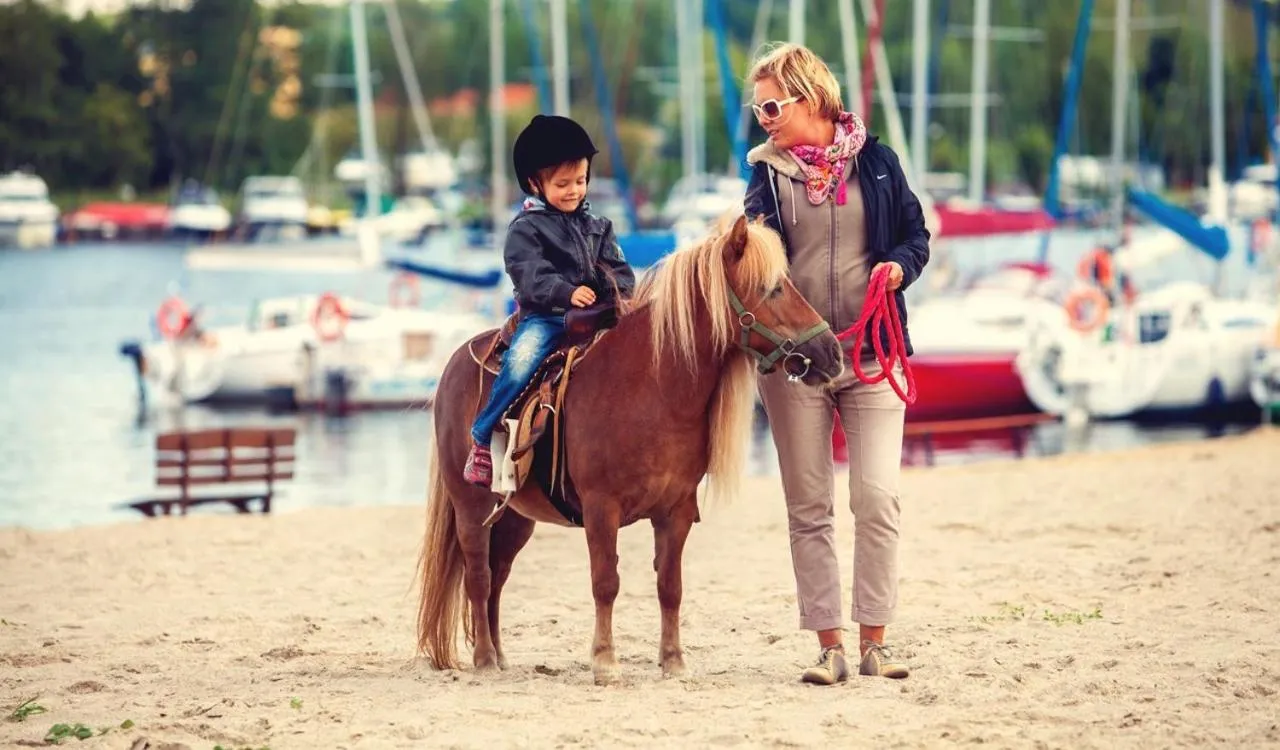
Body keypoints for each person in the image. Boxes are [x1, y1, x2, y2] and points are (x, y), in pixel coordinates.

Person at [742, 42, 930, 684]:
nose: (763, 117)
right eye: (758, 107)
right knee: (809, 505)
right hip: (794, 366)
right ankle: (830, 647)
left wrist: (898, 267)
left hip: (873, 352)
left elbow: (916, 236)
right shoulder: (765, 176)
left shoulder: (877, 163)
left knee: (877, 498)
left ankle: (876, 640)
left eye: (772, 104)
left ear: (810, 96)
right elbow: (752, 267)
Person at [463, 114, 636, 487]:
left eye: (581, 180)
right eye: (562, 184)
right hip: (547, 316)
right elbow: (529, 276)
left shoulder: (599, 226)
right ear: (533, 184)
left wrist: (618, 294)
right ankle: (483, 433)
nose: (574, 190)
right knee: (523, 359)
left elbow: (618, 269)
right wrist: (566, 292)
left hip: (597, 315)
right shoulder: (525, 228)